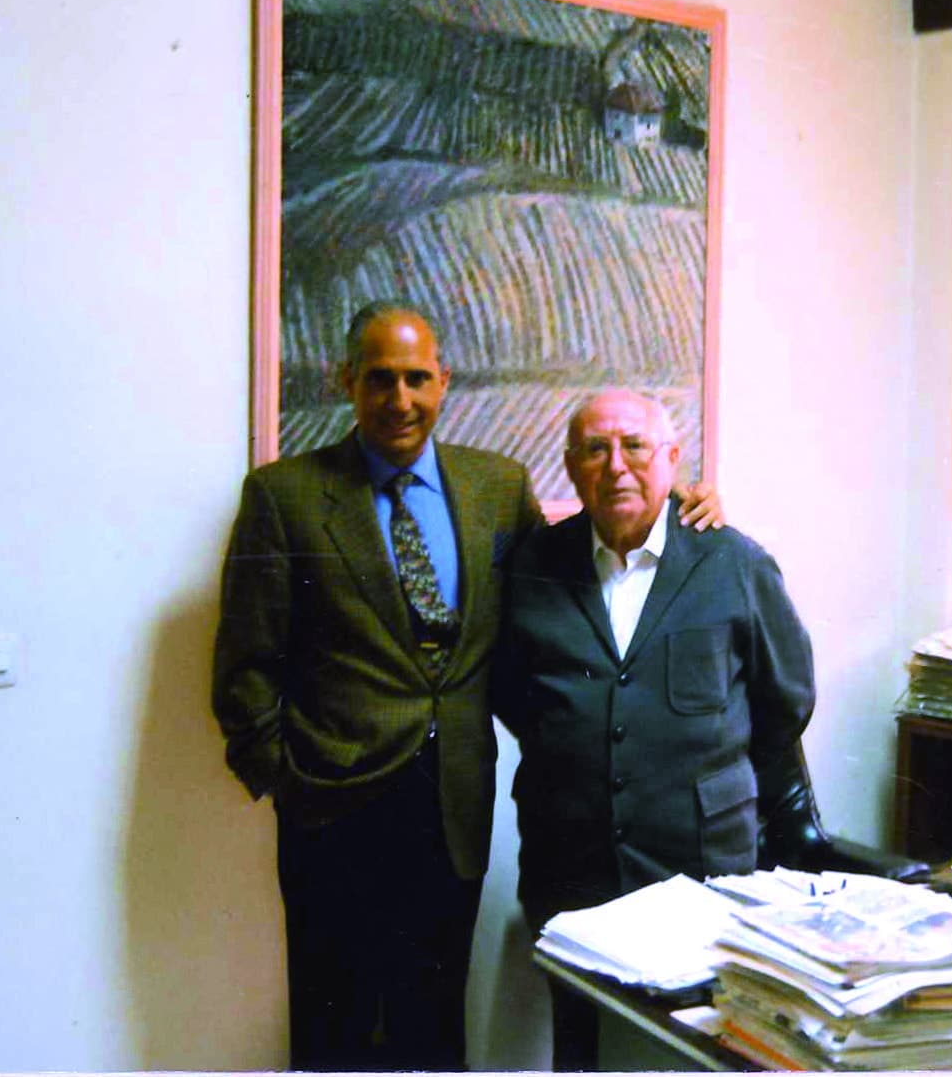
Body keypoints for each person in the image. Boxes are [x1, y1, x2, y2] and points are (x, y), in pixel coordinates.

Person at [211, 305, 719, 1071]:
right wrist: (287, 782)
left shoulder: (495, 487)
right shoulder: (284, 498)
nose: (400, 398)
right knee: (333, 1030)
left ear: (444, 381)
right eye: (380, 379)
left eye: (418, 378)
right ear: (347, 381)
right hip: (331, 815)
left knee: (436, 1026)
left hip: (452, 810)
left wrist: (679, 507)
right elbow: (244, 666)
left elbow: (576, 564)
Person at [493, 389, 816, 1070]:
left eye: (635, 446)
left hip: (701, 869)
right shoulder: (532, 568)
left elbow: (785, 702)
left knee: (703, 1053)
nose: (616, 466)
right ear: (571, 468)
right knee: (578, 1050)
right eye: (595, 450)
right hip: (568, 867)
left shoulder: (732, 563)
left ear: (671, 459)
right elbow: (515, 696)